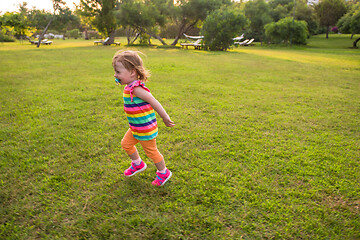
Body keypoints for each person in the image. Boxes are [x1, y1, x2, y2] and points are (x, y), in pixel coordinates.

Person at [112, 50, 175, 186]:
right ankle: (138, 164)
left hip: (145, 129)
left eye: (118, 72)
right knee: (126, 144)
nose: (115, 75)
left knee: (152, 152)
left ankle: (164, 172)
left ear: (132, 72)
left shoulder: (137, 89)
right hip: (135, 128)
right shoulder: (129, 88)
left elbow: (153, 101)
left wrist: (164, 116)